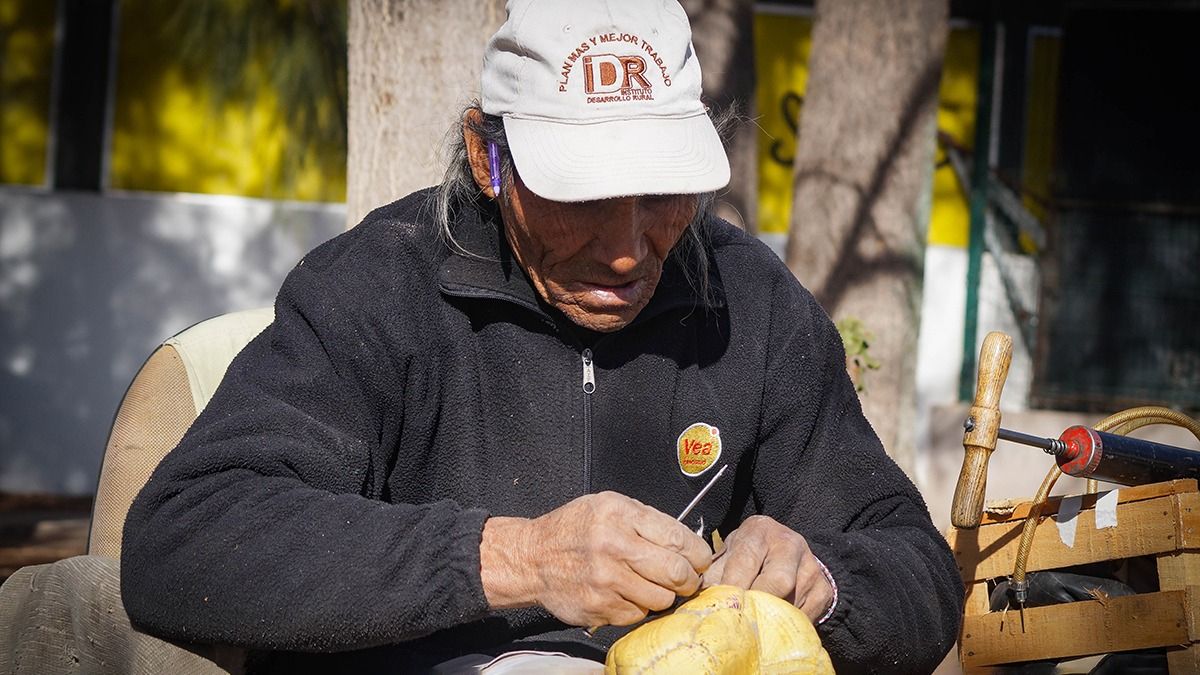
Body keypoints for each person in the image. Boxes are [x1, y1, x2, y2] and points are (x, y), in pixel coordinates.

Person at [121, 0, 963, 672]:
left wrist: (822, 582)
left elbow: (918, 570)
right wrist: (515, 556)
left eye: (665, 191)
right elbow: (185, 537)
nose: (631, 245)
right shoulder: (377, 287)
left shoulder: (751, 302)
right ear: (490, 160)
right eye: (584, 194)